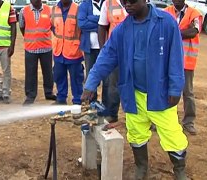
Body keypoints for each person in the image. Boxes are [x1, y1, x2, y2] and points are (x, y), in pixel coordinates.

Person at [81, 0, 189, 179]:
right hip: (134, 93)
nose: (127, 5)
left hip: (160, 94)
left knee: (172, 134)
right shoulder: (121, 30)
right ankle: (141, 167)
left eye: (131, 1)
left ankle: (179, 170)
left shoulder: (167, 23)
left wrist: (175, 88)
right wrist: (91, 83)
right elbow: (105, 57)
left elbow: (176, 57)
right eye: (124, 2)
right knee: (136, 132)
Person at [165, 0, 202, 135]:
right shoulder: (166, 12)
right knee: (165, 90)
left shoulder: (195, 14)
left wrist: (173, 32)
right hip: (168, 60)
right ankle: (161, 120)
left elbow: (194, 31)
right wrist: (183, 30)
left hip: (186, 61)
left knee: (188, 93)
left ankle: (189, 122)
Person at [19, 0, 56, 105]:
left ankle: (49, 92)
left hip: (46, 48)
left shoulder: (49, 10)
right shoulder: (23, 11)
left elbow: (53, 27)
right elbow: (22, 27)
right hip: (30, 48)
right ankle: (30, 95)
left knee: (48, 72)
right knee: (30, 73)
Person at [97, 0, 126, 123]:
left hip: (136, 52)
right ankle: (112, 114)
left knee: (140, 85)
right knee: (113, 85)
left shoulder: (140, 3)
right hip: (115, 52)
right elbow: (102, 27)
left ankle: (143, 116)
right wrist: (104, 49)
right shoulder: (108, 4)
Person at [51, 0, 84, 105]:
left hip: (74, 51)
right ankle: (61, 98)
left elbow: (82, 29)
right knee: (59, 75)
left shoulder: (78, 9)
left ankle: (78, 100)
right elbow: (53, 27)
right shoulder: (54, 9)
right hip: (58, 51)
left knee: (76, 78)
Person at [77, 0, 104, 104]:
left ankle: (106, 103)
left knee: (107, 77)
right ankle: (92, 102)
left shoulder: (107, 3)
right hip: (90, 48)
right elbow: (82, 24)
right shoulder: (84, 5)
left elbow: (108, 21)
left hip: (105, 48)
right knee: (91, 75)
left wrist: (91, 18)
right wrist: (101, 23)